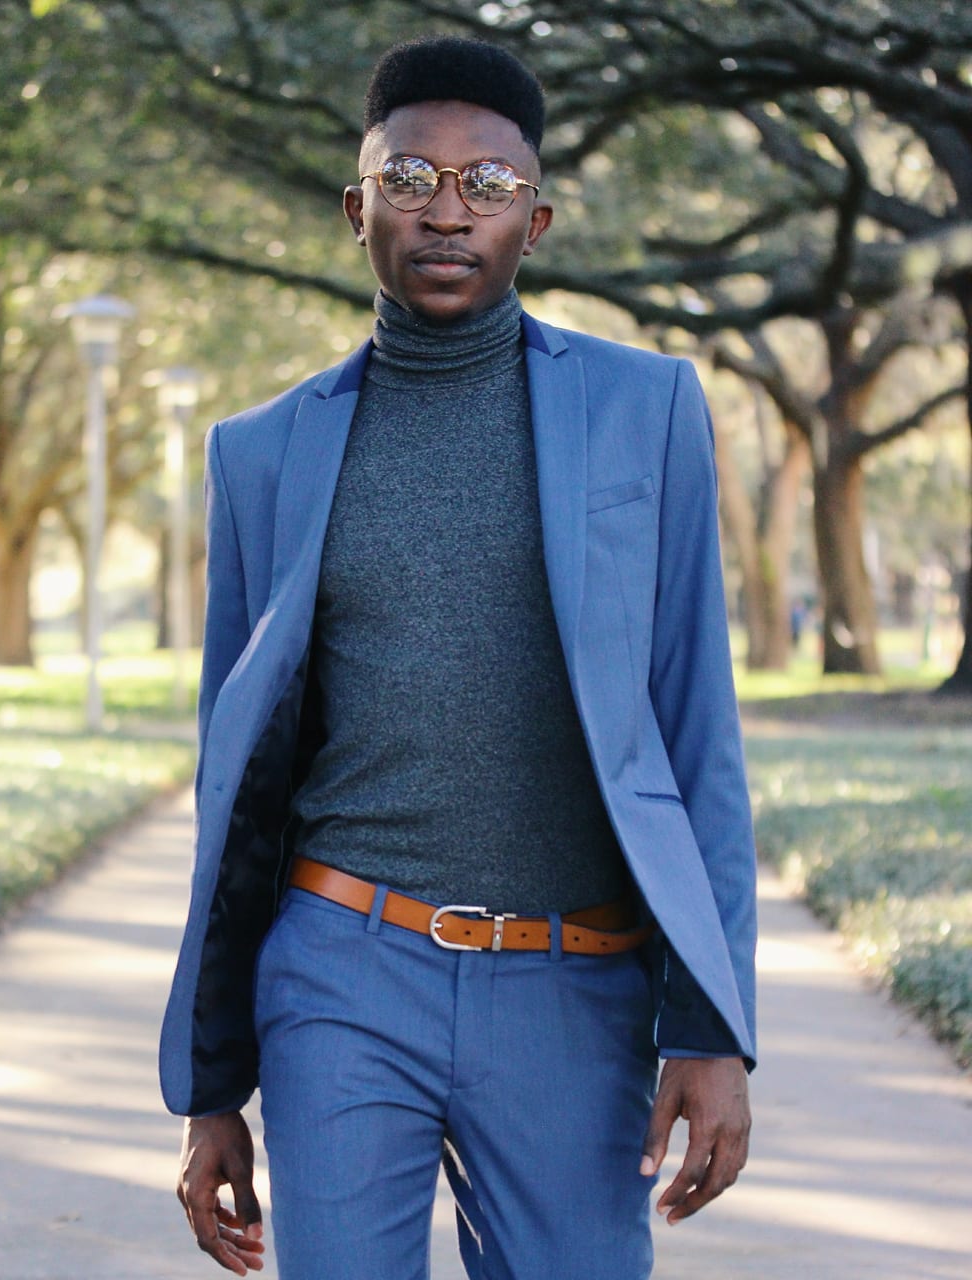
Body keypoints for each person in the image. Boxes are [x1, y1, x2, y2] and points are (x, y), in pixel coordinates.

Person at [160, 34, 757, 1280]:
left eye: (486, 185)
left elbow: (697, 732)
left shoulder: (647, 410)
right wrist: (214, 1085)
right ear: (355, 206)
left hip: (572, 981)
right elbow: (239, 787)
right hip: (340, 964)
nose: (446, 209)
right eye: (409, 177)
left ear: (532, 219)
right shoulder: (258, 453)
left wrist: (714, 1026)